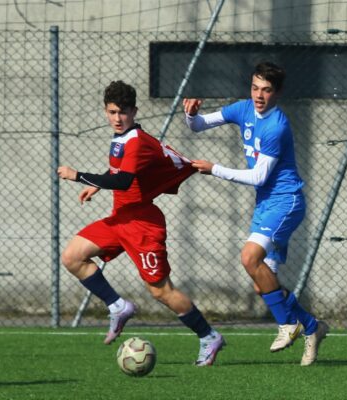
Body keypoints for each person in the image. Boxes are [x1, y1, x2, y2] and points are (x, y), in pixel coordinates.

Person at [57, 80, 224, 367]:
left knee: (161, 291)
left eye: (123, 112)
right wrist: (97, 185)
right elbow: (118, 170)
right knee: (72, 256)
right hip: (120, 218)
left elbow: (123, 180)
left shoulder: (135, 141)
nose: (117, 118)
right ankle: (118, 306)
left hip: (143, 224)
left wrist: (78, 175)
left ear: (134, 111)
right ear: (105, 111)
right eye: (112, 112)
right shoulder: (123, 138)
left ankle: (209, 336)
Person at [182, 61, 328, 366]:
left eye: (266, 90)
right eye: (255, 87)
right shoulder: (243, 109)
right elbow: (197, 126)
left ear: (277, 93)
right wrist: (191, 114)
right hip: (266, 204)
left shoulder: (277, 125)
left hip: (285, 202)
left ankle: (288, 325)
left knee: (249, 258)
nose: (259, 95)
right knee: (261, 281)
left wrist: (215, 169)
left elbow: (259, 177)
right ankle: (312, 327)